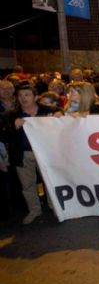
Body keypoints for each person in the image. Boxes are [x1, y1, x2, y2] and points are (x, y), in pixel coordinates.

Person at [0, 82, 62, 224]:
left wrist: (59, 114)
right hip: (23, 154)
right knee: (27, 185)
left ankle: (55, 208)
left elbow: (60, 113)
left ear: (35, 97)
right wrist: (13, 126)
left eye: (27, 95)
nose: (23, 98)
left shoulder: (46, 110)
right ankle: (34, 210)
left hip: (45, 152)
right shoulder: (10, 115)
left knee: (49, 182)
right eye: (20, 95)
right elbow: (3, 135)